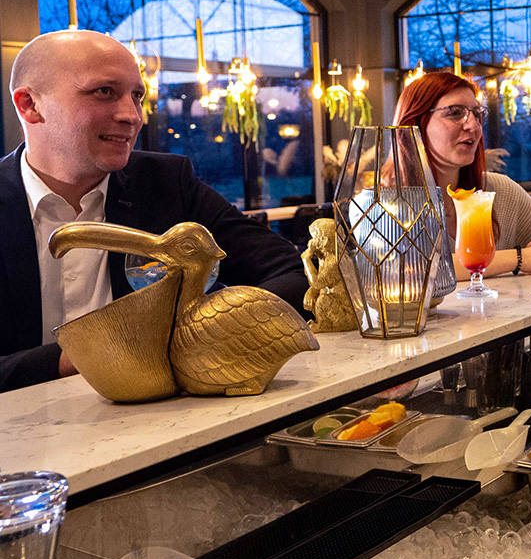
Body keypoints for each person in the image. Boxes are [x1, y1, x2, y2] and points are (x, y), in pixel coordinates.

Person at [0, 30, 309, 392]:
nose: (133, 116)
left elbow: (294, 274)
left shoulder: (166, 183)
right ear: (30, 105)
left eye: (137, 96)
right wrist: (81, 355)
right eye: (104, 91)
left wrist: (200, 333)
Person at [394, 71, 531, 279]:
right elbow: (412, 270)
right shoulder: (387, 202)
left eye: (477, 114)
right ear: (415, 123)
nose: (473, 125)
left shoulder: (497, 189)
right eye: (455, 113)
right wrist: (520, 258)